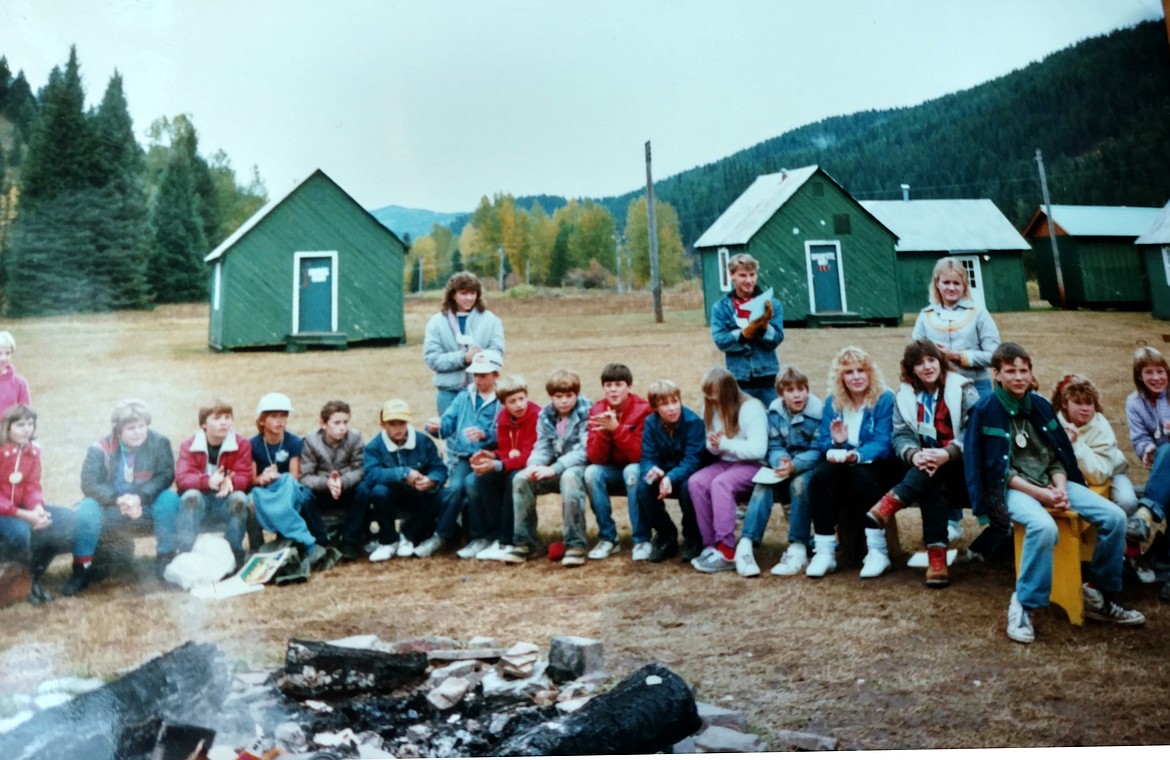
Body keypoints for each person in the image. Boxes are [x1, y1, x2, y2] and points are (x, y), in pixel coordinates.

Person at [966, 343, 1144, 644]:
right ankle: (1025, 604)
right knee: (1043, 526)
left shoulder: (1041, 406)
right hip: (1013, 488)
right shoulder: (985, 411)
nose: (1019, 377)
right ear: (995, 374)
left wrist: (1060, 488)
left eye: (1024, 370)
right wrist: (1041, 494)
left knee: (1115, 517)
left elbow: (1056, 457)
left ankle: (1099, 592)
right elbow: (994, 470)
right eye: (1011, 371)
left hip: (1051, 482)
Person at [866, 341, 978, 588]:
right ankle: (936, 558)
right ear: (911, 369)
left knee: (935, 471)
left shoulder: (963, 388)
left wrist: (946, 454)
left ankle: (894, 500)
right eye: (919, 363)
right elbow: (900, 434)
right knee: (931, 477)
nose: (927, 367)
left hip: (961, 465)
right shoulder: (904, 395)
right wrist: (915, 455)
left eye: (931, 360)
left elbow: (973, 433)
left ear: (941, 362)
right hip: (926, 467)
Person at [65, 399, 180, 596]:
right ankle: (81, 569)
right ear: (118, 430)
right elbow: (89, 483)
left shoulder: (160, 442)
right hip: (111, 507)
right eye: (131, 428)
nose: (137, 432)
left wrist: (140, 497)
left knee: (169, 499)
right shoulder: (99, 448)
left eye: (142, 426)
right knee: (86, 509)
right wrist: (117, 500)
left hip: (146, 505)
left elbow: (166, 475)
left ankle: (165, 561)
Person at [804, 346, 900, 579]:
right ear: (840, 377)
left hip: (877, 464)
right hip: (844, 462)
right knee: (819, 477)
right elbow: (824, 442)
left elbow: (883, 441)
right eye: (849, 372)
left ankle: (877, 551)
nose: (856, 377)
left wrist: (855, 455)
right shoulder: (833, 402)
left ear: (870, 373)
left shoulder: (884, 398)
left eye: (861, 370)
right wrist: (838, 445)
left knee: (862, 476)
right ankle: (825, 551)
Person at [1054, 373, 1149, 583]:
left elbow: (1098, 474)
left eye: (1089, 403)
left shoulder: (1101, 426)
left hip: (1112, 472)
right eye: (1078, 403)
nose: (1085, 409)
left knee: (1127, 501)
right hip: (1077, 479)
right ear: (1064, 404)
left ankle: (1132, 552)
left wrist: (1076, 444)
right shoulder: (1055, 423)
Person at [740, 368, 824, 577]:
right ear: (780, 394)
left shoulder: (818, 412)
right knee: (763, 486)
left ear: (807, 390)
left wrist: (795, 464)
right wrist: (780, 460)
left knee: (800, 485)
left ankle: (798, 545)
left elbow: (818, 449)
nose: (796, 395)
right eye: (790, 390)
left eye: (801, 389)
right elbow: (775, 443)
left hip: (808, 467)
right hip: (784, 464)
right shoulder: (775, 411)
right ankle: (746, 543)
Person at [419, 349, 503, 558]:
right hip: (465, 456)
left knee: (472, 484)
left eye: (484, 375)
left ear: (496, 375)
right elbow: (447, 425)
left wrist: (486, 436)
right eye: (476, 375)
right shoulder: (464, 396)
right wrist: (434, 427)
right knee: (454, 488)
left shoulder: (503, 399)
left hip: (493, 456)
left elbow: (506, 432)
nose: (479, 380)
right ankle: (441, 535)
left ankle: (479, 536)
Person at [506, 369, 591, 566]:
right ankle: (524, 542)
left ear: (576, 394)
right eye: (558, 397)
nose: (564, 401)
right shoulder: (545, 414)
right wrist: (534, 464)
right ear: (551, 396)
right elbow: (542, 445)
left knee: (569, 478)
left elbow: (585, 450)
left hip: (580, 467)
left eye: (569, 396)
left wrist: (556, 467)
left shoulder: (588, 412)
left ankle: (575, 544)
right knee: (520, 479)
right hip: (553, 467)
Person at [688, 366, 768, 573]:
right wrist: (713, 445)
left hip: (754, 465)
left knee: (721, 483)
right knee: (697, 482)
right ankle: (710, 545)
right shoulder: (712, 408)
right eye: (709, 399)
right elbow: (714, 442)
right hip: (726, 462)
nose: (712, 403)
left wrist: (724, 444)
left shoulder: (751, 408)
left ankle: (726, 549)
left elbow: (759, 450)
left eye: (716, 399)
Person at [0, 405, 75, 605]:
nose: (27, 429)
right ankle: (20, 584)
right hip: (5, 511)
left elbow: (33, 485)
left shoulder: (32, 451)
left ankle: (33, 578)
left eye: (30, 424)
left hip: (24, 508)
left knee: (68, 521)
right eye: (20, 425)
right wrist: (23, 515)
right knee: (20, 533)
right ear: (7, 427)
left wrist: (38, 508)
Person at [249, 392, 329, 567]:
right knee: (251, 499)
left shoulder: (293, 441)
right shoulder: (253, 444)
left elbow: (294, 475)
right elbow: (252, 479)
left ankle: (310, 541)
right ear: (262, 420)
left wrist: (278, 477)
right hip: (264, 490)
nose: (280, 421)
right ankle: (256, 547)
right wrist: (263, 478)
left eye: (284, 416)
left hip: (287, 487)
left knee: (296, 489)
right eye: (274, 416)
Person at [363, 399, 448, 561]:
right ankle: (388, 541)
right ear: (383, 425)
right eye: (392, 424)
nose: (398, 428)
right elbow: (371, 475)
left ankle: (408, 535)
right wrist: (403, 473)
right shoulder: (374, 446)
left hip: (419, 494)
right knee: (378, 491)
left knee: (442, 494)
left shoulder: (423, 441)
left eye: (402, 423)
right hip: (391, 497)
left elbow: (440, 469)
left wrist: (431, 480)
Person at [584, 363, 652, 560]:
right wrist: (605, 432)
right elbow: (595, 457)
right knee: (592, 473)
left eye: (618, 384)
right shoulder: (597, 409)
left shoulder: (643, 409)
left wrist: (617, 429)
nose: (613, 390)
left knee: (632, 470)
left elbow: (639, 455)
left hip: (635, 468)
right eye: (608, 385)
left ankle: (641, 539)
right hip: (611, 470)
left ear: (629, 387)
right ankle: (608, 538)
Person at [469, 375, 541, 561]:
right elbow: (507, 449)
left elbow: (529, 455)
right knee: (485, 477)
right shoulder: (503, 418)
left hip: (534, 464)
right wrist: (492, 456)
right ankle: (496, 536)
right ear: (503, 404)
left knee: (512, 479)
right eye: (512, 401)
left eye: (521, 399)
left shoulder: (536, 415)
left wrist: (499, 463)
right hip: (513, 462)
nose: (519, 405)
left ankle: (508, 539)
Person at [174, 400, 253, 567]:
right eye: (217, 418)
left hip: (225, 500)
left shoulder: (241, 444)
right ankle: (185, 554)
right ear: (204, 424)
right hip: (200, 501)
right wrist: (207, 481)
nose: (223, 422)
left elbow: (245, 475)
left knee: (239, 498)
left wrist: (231, 482)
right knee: (190, 496)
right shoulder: (189, 445)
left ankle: (235, 554)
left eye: (227, 417)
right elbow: (182, 478)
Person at [911, 257, 1001, 399]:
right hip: (937, 389)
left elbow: (995, 356)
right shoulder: (925, 316)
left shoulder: (979, 313)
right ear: (937, 284)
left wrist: (957, 355)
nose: (951, 288)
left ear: (964, 285)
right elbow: (914, 356)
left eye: (956, 283)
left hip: (976, 386)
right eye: (946, 282)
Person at [638, 379, 706, 563]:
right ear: (655, 407)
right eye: (665, 404)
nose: (672, 408)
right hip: (665, 471)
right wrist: (653, 471)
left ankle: (693, 537)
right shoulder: (651, 423)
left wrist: (671, 477)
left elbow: (693, 459)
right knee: (643, 486)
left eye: (675, 402)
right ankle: (666, 535)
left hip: (691, 471)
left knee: (687, 488)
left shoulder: (693, 422)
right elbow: (647, 457)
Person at [423, 272, 506, 416]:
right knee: (452, 436)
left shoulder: (491, 321)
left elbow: (498, 352)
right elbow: (433, 359)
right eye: (463, 293)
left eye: (473, 293)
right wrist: (463, 358)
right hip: (449, 392)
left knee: (482, 434)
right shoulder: (436, 323)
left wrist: (482, 359)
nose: (469, 298)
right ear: (452, 294)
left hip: (483, 391)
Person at [1123, 346, 1170, 597]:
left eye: (1160, 371)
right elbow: (1139, 438)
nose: (1156, 377)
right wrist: (1149, 449)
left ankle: (1146, 513)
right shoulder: (1134, 402)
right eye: (1148, 372)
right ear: (1139, 376)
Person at [709, 253, 785, 407]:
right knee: (742, 422)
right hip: (739, 379)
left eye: (752, 275)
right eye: (742, 275)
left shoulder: (772, 304)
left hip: (768, 378)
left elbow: (777, 338)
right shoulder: (721, 307)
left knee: (774, 421)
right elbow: (720, 340)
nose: (749, 280)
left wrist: (764, 326)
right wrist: (743, 334)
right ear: (732, 276)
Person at [299, 400, 367, 559]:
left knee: (364, 490)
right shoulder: (310, 441)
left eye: (345, 422)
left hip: (346, 489)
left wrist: (343, 481)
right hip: (322, 491)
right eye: (336, 422)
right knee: (303, 495)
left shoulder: (355, 438)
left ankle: (349, 541)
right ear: (323, 424)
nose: (342, 427)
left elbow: (361, 468)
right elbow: (304, 476)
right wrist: (326, 483)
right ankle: (322, 543)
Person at [0, 331, 30, 414]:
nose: (3, 358)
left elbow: (24, 416)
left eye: (7, 353)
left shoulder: (20, 384)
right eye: (0, 353)